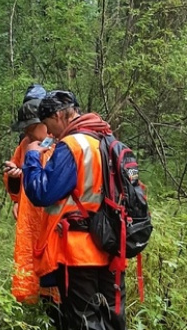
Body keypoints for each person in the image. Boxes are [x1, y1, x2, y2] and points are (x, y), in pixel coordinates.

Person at [22, 90, 126, 330]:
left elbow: (42, 192)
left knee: (82, 322)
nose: (49, 133)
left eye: (48, 125)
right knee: (113, 320)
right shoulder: (107, 139)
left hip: (80, 251)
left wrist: (32, 159)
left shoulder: (72, 145)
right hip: (113, 245)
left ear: (58, 115)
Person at [2, 97, 61, 311]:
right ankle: (32, 307)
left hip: (51, 217)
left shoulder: (61, 144)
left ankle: (53, 307)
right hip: (29, 217)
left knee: (52, 263)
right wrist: (15, 176)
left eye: (29, 127)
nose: (26, 132)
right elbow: (14, 187)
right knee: (29, 259)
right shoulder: (25, 145)